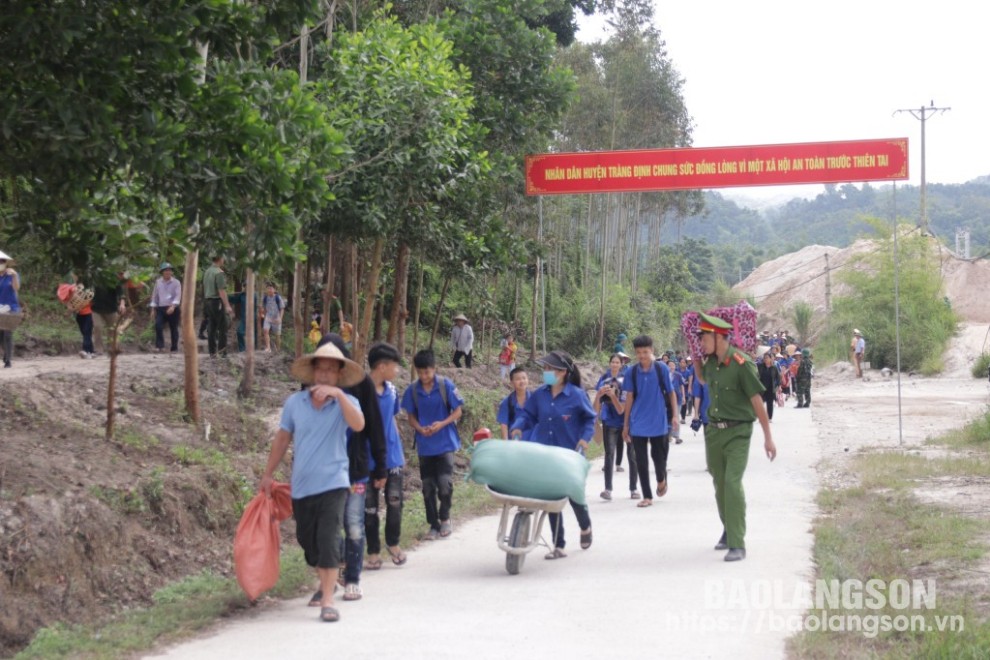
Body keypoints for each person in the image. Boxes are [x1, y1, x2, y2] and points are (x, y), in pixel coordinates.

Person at [259, 341, 366, 622]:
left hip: (334, 482)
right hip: (302, 485)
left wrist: (339, 396)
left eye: (331, 371)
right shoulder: (295, 403)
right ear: (312, 372)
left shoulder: (348, 403)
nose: (324, 375)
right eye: (321, 370)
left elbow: (358, 425)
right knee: (309, 541)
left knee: (329, 538)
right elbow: (283, 438)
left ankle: (328, 600)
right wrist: (268, 474)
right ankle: (324, 580)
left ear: (338, 376)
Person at [695, 312, 776, 562]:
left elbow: (756, 400)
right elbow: (701, 378)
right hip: (714, 433)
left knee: (731, 482)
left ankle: (737, 543)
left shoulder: (742, 363)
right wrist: (695, 356)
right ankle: (728, 529)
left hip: (738, 432)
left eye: (704, 337)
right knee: (719, 485)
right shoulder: (709, 362)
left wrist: (768, 437)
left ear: (719, 337)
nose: (701, 342)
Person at [314, 335, 387, 603]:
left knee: (353, 525)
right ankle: (332, 575)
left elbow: (374, 426)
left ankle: (353, 578)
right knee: (326, 528)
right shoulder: (312, 383)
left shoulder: (361, 383)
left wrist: (381, 467)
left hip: (354, 468)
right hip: (322, 470)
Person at [509, 350, 595, 559]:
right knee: (551, 498)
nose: (545, 372)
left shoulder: (576, 394)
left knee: (574, 495)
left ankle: (585, 526)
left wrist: (584, 439)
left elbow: (589, 419)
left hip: (570, 455)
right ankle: (558, 545)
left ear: (563, 372)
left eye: (549, 369)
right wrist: (518, 427)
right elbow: (528, 415)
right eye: (545, 368)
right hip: (546, 453)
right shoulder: (540, 394)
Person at [401, 349, 464, 540]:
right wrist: (420, 428)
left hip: (445, 442)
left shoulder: (446, 385)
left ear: (434, 369)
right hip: (425, 445)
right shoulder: (412, 390)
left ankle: (445, 518)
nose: (423, 376)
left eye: (427, 372)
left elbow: (458, 411)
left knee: (444, 483)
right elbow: (410, 417)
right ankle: (433, 524)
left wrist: (442, 424)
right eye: (420, 372)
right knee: (428, 486)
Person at [363, 342, 408, 571]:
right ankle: (372, 551)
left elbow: (392, 419)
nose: (397, 370)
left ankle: (393, 542)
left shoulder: (392, 390)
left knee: (395, 501)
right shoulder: (360, 390)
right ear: (381, 366)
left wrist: (399, 452)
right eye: (394, 366)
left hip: (393, 457)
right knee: (369, 507)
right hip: (367, 459)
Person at [622, 335, 679, 508]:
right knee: (641, 460)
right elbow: (629, 398)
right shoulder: (631, 372)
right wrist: (626, 425)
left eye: (645, 352)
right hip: (638, 422)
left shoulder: (661, 369)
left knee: (658, 457)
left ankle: (661, 478)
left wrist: (675, 415)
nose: (642, 355)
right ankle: (647, 496)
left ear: (652, 351)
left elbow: (671, 393)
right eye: (638, 352)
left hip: (658, 421)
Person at [594, 353, 638, 501]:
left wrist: (612, 396)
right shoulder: (603, 379)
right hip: (609, 421)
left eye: (617, 362)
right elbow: (596, 408)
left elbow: (622, 409)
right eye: (612, 362)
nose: (614, 364)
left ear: (621, 364)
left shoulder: (625, 381)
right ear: (609, 363)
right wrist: (599, 396)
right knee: (609, 454)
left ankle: (633, 488)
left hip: (625, 421)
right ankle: (607, 489)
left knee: (632, 455)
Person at [203, 256, 234, 357]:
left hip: (207, 301)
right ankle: (222, 353)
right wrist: (227, 305)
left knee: (211, 327)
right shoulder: (219, 272)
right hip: (217, 302)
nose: (224, 260)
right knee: (223, 327)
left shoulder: (207, 271)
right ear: (220, 259)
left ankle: (212, 353)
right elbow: (221, 291)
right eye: (223, 258)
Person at [90, 273, 127, 356]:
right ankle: (98, 349)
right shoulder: (95, 278)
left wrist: (122, 304)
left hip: (111, 309)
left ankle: (112, 349)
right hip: (96, 308)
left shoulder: (114, 279)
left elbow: (121, 293)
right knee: (97, 327)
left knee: (113, 330)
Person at [150, 263, 182, 354]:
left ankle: (174, 348)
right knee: (158, 325)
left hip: (173, 308)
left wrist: (173, 306)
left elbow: (178, 296)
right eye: (166, 270)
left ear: (171, 272)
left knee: (174, 328)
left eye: (169, 270)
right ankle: (160, 346)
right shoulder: (158, 282)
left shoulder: (176, 282)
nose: (168, 272)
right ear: (162, 272)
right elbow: (155, 296)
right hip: (161, 308)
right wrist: (153, 309)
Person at [0, 250, 22, 368]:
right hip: (0, 308)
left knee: (8, 334)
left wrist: (13, 275)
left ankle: (8, 359)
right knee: (1, 336)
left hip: (11, 308)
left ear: (6, 263)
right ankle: (5, 354)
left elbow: (16, 287)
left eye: (2, 261)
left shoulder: (12, 275)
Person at [497, 367, 531, 441]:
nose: (522, 381)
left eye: (524, 378)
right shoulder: (507, 402)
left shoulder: (535, 399)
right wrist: (506, 445)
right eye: (518, 379)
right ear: (512, 382)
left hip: (532, 444)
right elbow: (504, 425)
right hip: (514, 444)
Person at [261, 283, 285, 353]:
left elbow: (282, 308)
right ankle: (268, 348)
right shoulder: (265, 298)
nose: (269, 290)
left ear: (274, 290)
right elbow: (264, 308)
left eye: (271, 288)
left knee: (277, 335)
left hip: (276, 318)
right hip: (268, 317)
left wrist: (280, 318)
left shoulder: (278, 297)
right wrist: (264, 315)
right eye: (268, 288)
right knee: (265, 331)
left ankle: (278, 350)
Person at [757, 352, 781, 421]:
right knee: (760, 403)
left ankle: (769, 418)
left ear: (771, 359)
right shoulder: (760, 366)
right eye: (764, 358)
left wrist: (779, 386)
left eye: (767, 358)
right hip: (761, 388)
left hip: (771, 388)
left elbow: (778, 377)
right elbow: (756, 376)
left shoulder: (774, 368)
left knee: (770, 404)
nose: (765, 359)